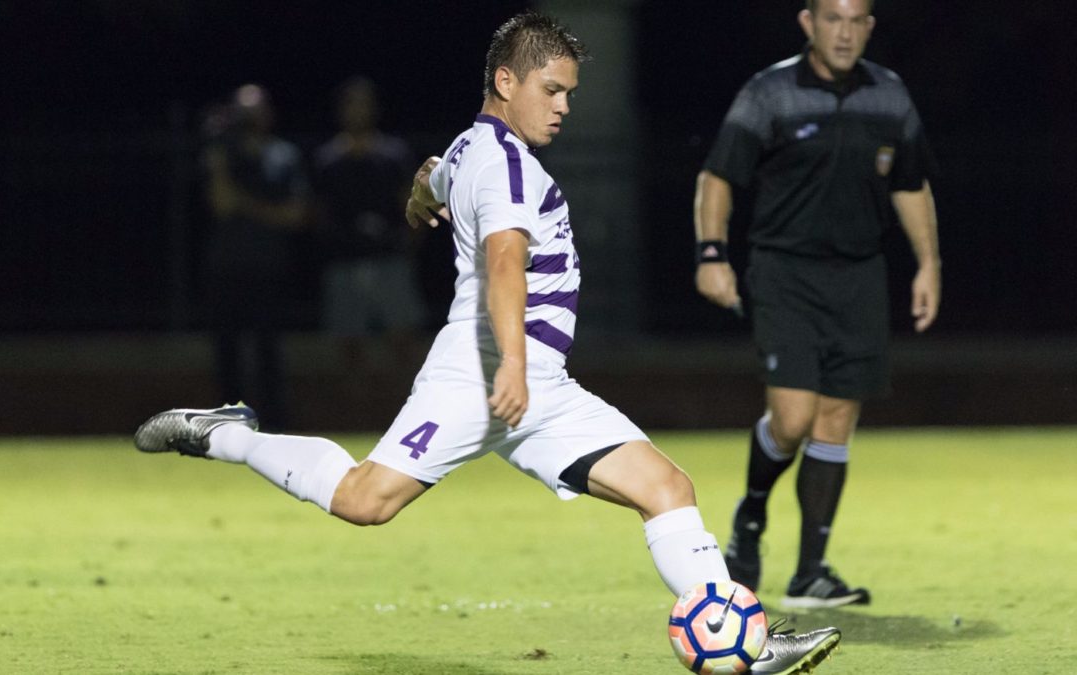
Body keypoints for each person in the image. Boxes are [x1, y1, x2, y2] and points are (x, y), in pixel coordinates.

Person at [138, 12, 841, 673]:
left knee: (666, 486)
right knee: (364, 499)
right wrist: (509, 363)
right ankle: (227, 434)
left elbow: (431, 178)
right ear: (506, 82)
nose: (563, 106)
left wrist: (421, 193)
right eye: (552, 89)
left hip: (538, 380)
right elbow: (505, 257)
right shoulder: (505, 164)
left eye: (569, 91)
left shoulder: (477, 147)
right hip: (481, 373)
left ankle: (745, 643)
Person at [694, 0, 941, 609]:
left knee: (836, 422)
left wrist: (929, 264)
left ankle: (810, 573)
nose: (845, 32)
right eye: (833, 18)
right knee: (794, 419)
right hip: (785, 273)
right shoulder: (771, 92)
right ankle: (751, 514)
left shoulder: (889, 94)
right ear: (808, 23)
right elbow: (718, 177)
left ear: (870, 28)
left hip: (860, 278)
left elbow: (910, 183)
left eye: (857, 21)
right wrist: (710, 253)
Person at [201, 84, 310, 428]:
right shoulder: (223, 155)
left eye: (257, 109)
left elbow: (295, 215)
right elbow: (221, 205)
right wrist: (218, 162)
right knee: (227, 352)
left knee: (269, 352)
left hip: (269, 266)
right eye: (244, 111)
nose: (251, 117)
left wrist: (246, 205)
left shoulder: (284, 155)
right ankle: (226, 425)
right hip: (226, 266)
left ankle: (275, 424)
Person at [312, 77, 426, 372]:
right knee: (348, 350)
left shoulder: (394, 155)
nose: (357, 112)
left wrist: (406, 249)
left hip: (389, 261)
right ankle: (353, 415)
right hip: (344, 264)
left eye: (364, 105)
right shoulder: (328, 159)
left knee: (404, 345)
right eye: (351, 105)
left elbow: (412, 206)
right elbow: (319, 213)